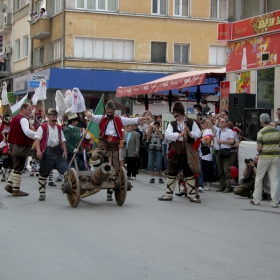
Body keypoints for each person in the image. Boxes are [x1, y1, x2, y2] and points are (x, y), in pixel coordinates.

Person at [85, 100, 151, 201]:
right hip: (103, 144)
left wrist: (144, 118)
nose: (110, 114)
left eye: (111, 112)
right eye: (108, 112)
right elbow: (90, 116)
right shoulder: (101, 118)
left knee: (114, 171)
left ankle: (109, 192)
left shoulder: (119, 119)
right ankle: (99, 170)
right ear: (106, 111)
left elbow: (133, 120)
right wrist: (88, 113)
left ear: (114, 111)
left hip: (114, 146)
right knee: (94, 157)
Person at [158, 102, 202, 202]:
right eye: (174, 112)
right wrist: (179, 134)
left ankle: (192, 196)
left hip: (187, 151)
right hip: (175, 150)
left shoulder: (191, 122)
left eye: (176, 112)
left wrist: (190, 133)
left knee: (189, 173)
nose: (175, 114)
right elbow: (168, 135)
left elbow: (198, 133)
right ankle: (168, 195)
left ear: (181, 113)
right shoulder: (172, 124)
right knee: (171, 172)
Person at [35, 108, 68, 201]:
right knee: (43, 174)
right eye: (52, 116)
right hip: (47, 153)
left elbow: (63, 140)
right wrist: (38, 150)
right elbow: (37, 139)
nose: (54, 118)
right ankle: (42, 194)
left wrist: (65, 151)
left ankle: (69, 189)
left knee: (66, 173)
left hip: (58, 152)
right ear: (48, 117)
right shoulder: (43, 127)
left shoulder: (59, 128)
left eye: (55, 116)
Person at [4, 103, 36, 196]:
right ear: (23, 109)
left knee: (16, 166)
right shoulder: (23, 119)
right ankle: (16, 189)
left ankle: (9, 185)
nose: (30, 112)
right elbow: (27, 132)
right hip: (20, 146)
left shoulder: (15, 118)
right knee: (19, 168)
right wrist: (37, 135)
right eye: (29, 110)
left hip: (14, 145)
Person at [251, 114, 280, 208]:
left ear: (261, 121)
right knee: (275, 179)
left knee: (259, 177)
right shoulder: (276, 131)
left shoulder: (261, 132)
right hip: (276, 157)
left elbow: (259, 148)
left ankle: (256, 199)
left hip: (265, 157)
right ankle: (275, 202)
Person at [213, 117, 234, 193]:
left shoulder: (229, 131)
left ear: (226, 123)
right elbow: (211, 127)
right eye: (220, 121)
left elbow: (231, 141)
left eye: (223, 121)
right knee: (220, 170)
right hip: (218, 151)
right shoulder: (217, 130)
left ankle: (228, 186)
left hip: (225, 151)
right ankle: (222, 185)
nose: (221, 122)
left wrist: (221, 141)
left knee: (226, 170)